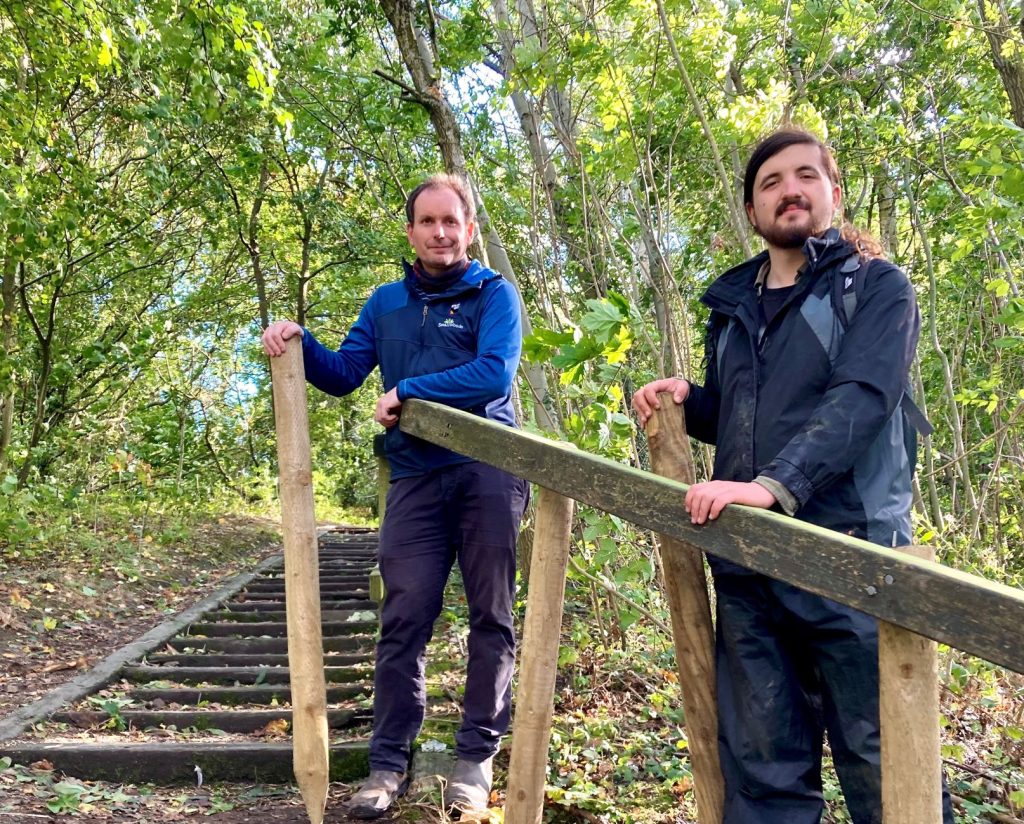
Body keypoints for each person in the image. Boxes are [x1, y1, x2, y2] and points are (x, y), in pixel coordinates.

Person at [632, 129, 954, 823]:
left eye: (806, 175)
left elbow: (861, 399)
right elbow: (751, 415)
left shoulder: (877, 289)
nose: (790, 190)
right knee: (764, 770)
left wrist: (772, 488)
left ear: (834, 191)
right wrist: (692, 400)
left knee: (887, 764)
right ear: (752, 210)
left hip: (853, 557)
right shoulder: (733, 311)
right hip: (750, 565)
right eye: (771, 182)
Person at [262, 174, 528, 819]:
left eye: (452, 222)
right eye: (427, 222)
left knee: (491, 614)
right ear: (410, 231)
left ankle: (475, 757)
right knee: (403, 617)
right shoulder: (385, 304)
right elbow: (347, 375)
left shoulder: (496, 294)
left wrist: (410, 391)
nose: (440, 232)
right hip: (413, 478)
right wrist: (298, 341)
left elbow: (494, 372)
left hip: (488, 469)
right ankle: (388, 762)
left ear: (469, 229)